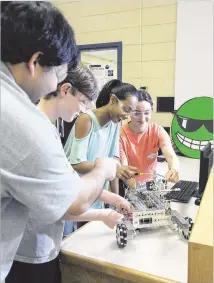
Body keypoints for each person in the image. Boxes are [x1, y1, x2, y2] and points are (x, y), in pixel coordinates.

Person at [1, 2, 118, 281]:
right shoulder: (21, 119)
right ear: (35, 62)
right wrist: (103, 168)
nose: (54, 86)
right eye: (58, 75)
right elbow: (72, 201)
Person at [5, 65, 133, 283]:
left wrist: (110, 200)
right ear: (65, 90)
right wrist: (102, 170)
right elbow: (65, 202)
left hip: (43, 247)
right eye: (83, 101)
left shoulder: (48, 129)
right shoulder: (36, 133)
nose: (83, 110)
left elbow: (65, 186)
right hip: (28, 253)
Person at [64, 79, 139, 218]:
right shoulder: (86, 120)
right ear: (112, 100)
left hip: (96, 193)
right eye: (126, 109)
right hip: (75, 193)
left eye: (130, 113)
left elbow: (114, 162)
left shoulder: (115, 123)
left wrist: (117, 200)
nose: (126, 116)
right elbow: (75, 164)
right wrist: (113, 169)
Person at [119, 88, 180, 190]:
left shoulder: (157, 130)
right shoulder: (121, 135)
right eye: (137, 113)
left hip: (151, 184)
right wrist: (140, 191)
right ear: (129, 112)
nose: (142, 119)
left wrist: (173, 170)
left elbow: (171, 156)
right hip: (128, 187)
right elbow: (125, 171)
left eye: (147, 113)